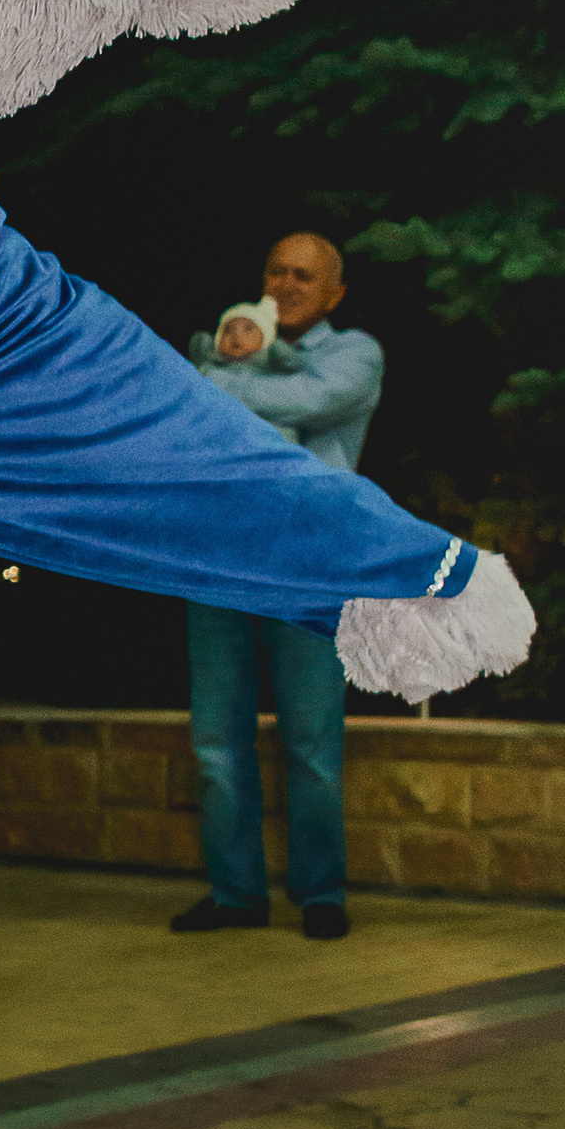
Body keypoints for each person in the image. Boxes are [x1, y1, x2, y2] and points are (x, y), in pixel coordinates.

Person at [174, 229, 386, 941]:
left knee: (312, 741)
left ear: (334, 293)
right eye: (277, 270)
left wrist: (215, 381)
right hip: (219, 560)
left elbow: (311, 403)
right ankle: (236, 895)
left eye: (304, 274)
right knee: (215, 741)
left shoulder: (355, 352)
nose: (287, 283)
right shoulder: (238, 336)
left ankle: (321, 891)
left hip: (309, 567)